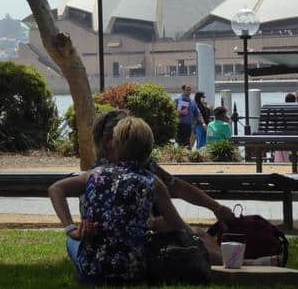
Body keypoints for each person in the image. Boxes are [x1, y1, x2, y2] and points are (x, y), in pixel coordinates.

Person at [49, 116, 191, 284]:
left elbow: (55, 188)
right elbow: (178, 226)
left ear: (115, 144)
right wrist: (147, 223)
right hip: (132, 273)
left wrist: (71, 229)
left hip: (93, 272)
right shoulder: (153, 182)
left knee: (71, 242)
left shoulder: (95, 175)